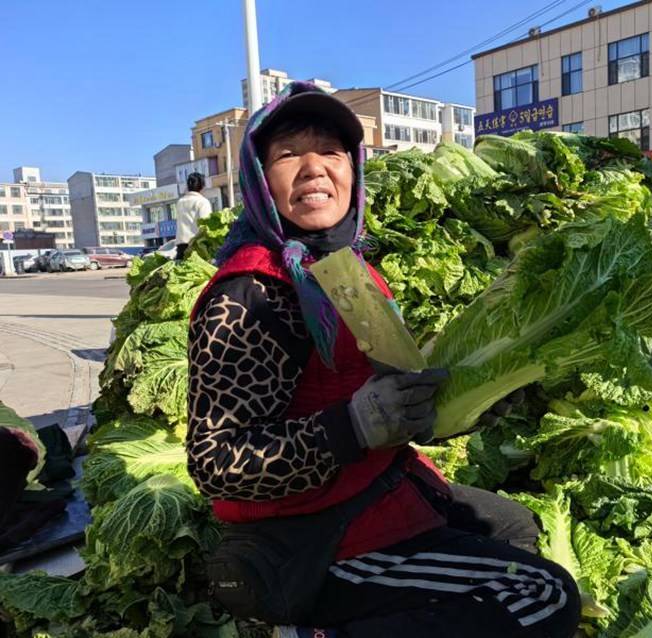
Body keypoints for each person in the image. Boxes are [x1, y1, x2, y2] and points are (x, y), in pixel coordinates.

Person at [186, 82, 581, 638]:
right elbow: (217, 464)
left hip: (379, 487)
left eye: (331, 150)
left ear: (354, 168)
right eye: (287, 154)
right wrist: (352, 426)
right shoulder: (252, 294)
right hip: (313, 530)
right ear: (258, 179)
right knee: (542, 596)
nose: (313, 168)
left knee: (514, 524)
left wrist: (469, 403)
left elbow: (398, 402)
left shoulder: (349, 271)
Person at [175, 171, 212, 259]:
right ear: (202, 186)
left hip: (181, 247)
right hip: (197, 246)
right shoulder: (202, 202)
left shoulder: (180, 202)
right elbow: (205, 226)